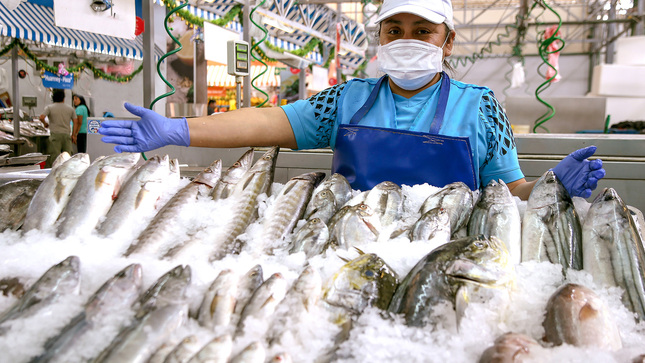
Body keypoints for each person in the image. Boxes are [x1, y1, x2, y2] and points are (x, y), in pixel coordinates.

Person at [98, 0, 605, 200]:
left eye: (422, 31)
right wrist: (177, 130)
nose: (406, 39)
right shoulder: (348, 100)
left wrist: (551, 187)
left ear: (447, 41)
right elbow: (265, 121)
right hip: (343, 243)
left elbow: (508, 194)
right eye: (395, 29)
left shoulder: (480, 107)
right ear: (381, 37)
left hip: (440, 253)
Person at [40, 89, 78, 168]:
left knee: (55, 158)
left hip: (55, 135)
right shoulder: (70, 108)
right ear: (64, 98)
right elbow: (75, 121)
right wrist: (74, 135)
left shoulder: (50, 107)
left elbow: (41, 117)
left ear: (53, 98)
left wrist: (45, 124)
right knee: (67, 157)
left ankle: (54, 174)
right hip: (66, 135)